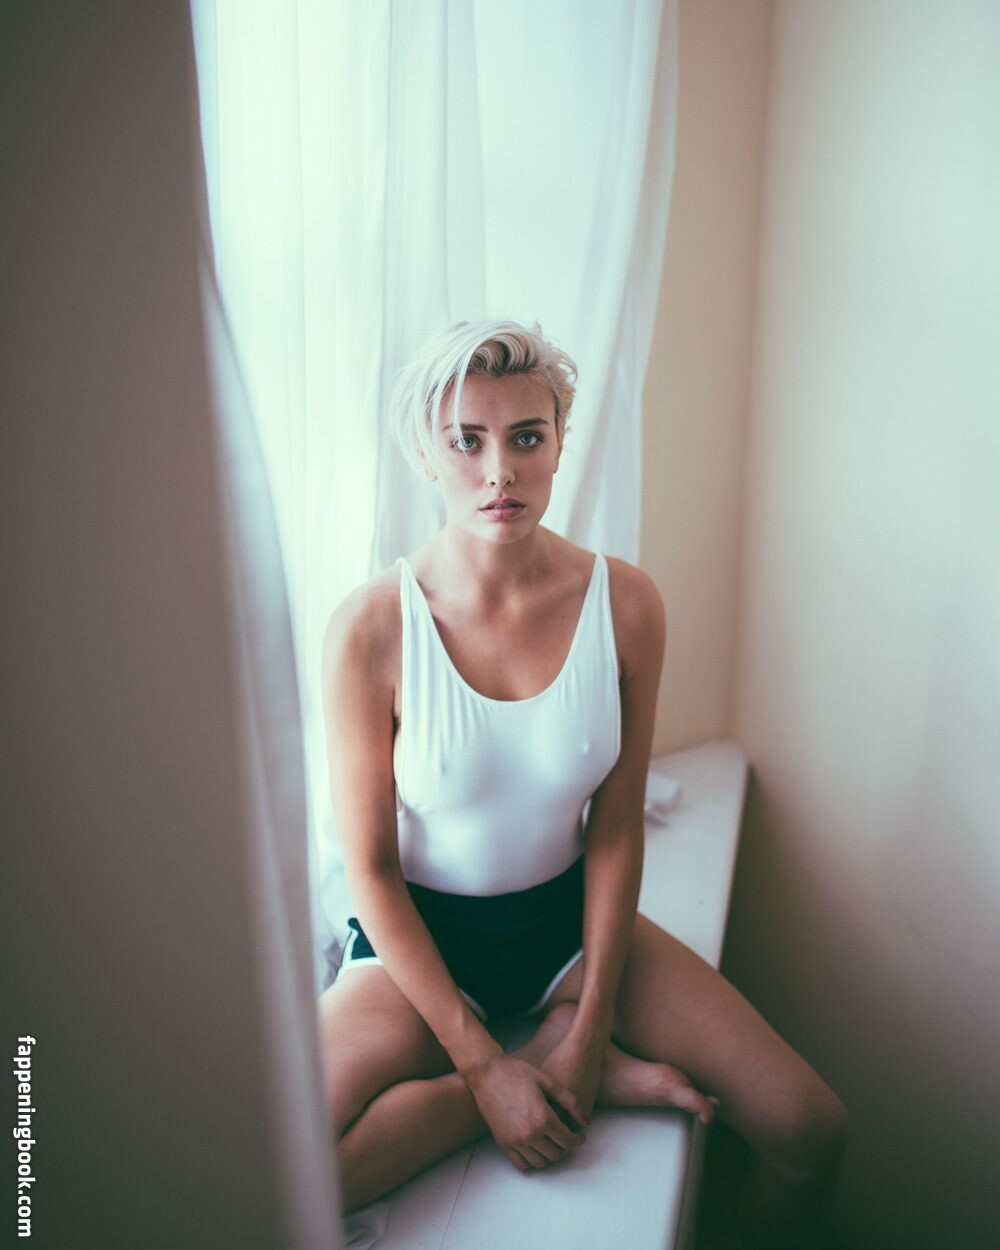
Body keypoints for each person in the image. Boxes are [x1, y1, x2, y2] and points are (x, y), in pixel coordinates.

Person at [318, 319, 848, 1248]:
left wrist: (595, 1026)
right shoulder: (371, 629)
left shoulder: (627, 604)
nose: (499, 472)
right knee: (286, 1164)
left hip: (570, 928)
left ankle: (566, 1049)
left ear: (561, 440)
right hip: (420, 948)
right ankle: (528, 1058)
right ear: (425, 455)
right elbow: (369, 867)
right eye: (466, 441)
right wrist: (489, 1072)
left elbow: (615, 826)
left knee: (811, 1131)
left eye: (526, 436)